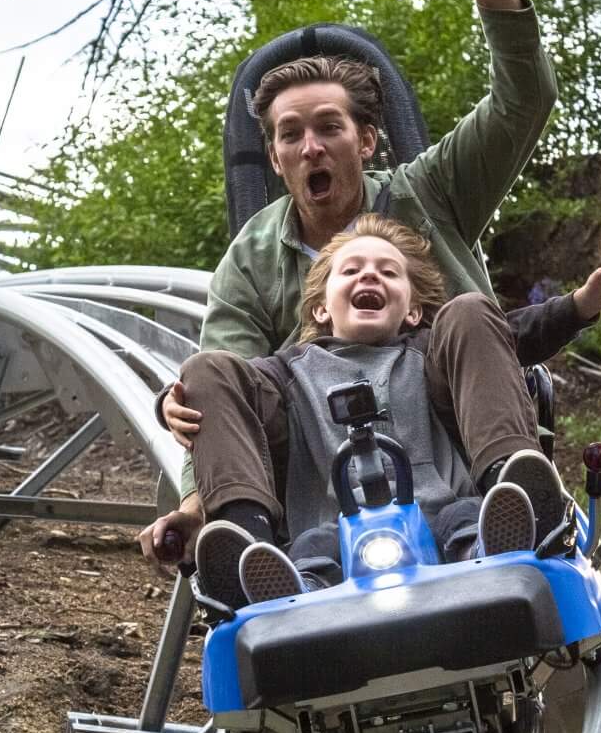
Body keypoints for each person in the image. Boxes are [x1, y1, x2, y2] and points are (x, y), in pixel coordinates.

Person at [142, 0, 601, 568]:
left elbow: (523, 102)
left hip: (451, 444)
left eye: (329, 128)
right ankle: (246, 544)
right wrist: (198, 488)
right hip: (321, 478)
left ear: (368, 140)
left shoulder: (429, 192)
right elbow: (231, 390)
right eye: (291, 135)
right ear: (275, 156)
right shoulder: (253, 261)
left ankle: (515, 493)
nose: (311, 147)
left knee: (472, 312)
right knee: (205, 366)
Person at [164, 216, 572, 610]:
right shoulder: (284, 374)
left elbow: (509, 332)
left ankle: (511, 506)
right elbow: (221, 387)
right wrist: (173, 397)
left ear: (412, 311)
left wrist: (578, 306)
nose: (369, 276)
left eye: (389, 272)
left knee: (470, 310)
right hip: (330, 532)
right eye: (352, 270)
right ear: (321, 309)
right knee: (206, 367)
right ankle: (252, 552)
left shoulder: (431, 352)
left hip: (441, 516)